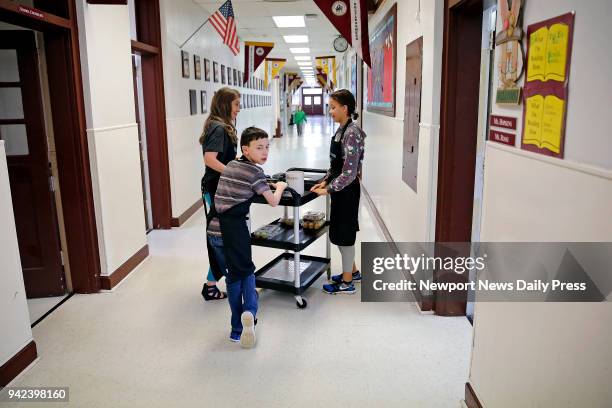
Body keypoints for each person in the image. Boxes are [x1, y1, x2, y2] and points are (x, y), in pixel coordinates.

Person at [215, 127, 287, 347]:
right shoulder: (255, 173)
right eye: (259, 148)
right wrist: (281, 187)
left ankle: (237, 329)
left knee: (232, 275)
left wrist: (264, 181)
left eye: (267, 147)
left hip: (214, 232)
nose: (265, 152)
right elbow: (273, 201)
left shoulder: (231, 165)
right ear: (245, 150)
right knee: (246, 273)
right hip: (233, 231)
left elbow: (247, 181)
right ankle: (247, 316)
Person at [311, 89, 366, 295]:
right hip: (339, 188)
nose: (330, 111)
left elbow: (350, 173)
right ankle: (352, 271)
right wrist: (324, 180)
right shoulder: (341, 130)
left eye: (333, 107)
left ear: (345, 108)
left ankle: (347, 283)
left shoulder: (352, 133)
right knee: (340, 233)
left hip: (347, 191)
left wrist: (329, 189)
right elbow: (336, 164)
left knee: (346, 235)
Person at [199, 87, 240, 301]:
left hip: (222, 188)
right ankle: (211, 285)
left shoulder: (222, 126)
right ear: (225, 105)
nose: (238, 110)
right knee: (220, 239)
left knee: (223, 238)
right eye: (236, 105)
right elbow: (210, 159)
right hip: (216, 189)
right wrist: (234, 172)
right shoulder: (217, 128)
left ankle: (211, 283)